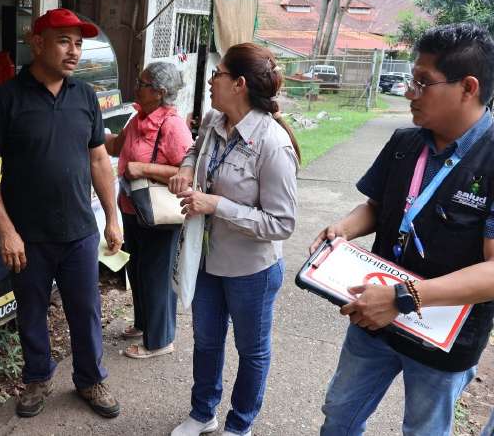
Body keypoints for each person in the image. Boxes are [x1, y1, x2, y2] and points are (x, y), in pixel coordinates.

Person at [310, 23, 494, 436]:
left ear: (468, 87)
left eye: (423, 83)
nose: (409, 92)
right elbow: (377, 207)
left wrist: (405, 297)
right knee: (339, 414)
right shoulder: (404, 142)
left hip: (442, 337)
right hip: (374, 318)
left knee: (424, 430)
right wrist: (344, 228)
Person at [0, 8, 123, 419]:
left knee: (85, 310)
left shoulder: (85, 97)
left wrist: (111, 216)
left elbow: (97, 160)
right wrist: (5, 230)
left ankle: (90, 379)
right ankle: (37, 378)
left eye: (78, 43)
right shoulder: (7, 98)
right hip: (27, 235)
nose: (73, 51)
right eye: (63, 41)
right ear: (37, 43)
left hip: (78, 231)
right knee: (32, 312)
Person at [169, 43, 300, 436]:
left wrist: (216, 205)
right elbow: (195, 149)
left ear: (239, 84)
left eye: (218, 73)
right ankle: (202, 412)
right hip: (208, 260)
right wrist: (186, 168)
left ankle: (239, 424)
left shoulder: (273, 144)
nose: (210, 80)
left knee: (252, 351)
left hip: (251, 270)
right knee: (206, 342)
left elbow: (282, 223)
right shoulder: (214, 119)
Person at [105, 62, 193, 359]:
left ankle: (160, 340)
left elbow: (188, 171)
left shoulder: (172, 126)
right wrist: (89, 128)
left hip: (160, 213)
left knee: (157, 274)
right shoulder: (138, 118)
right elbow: (116, 146)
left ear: (159, 92)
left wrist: (144, 168)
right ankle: (144, 324)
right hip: (134, 208)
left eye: (142, 84)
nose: (136, 87)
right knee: (139, 270)